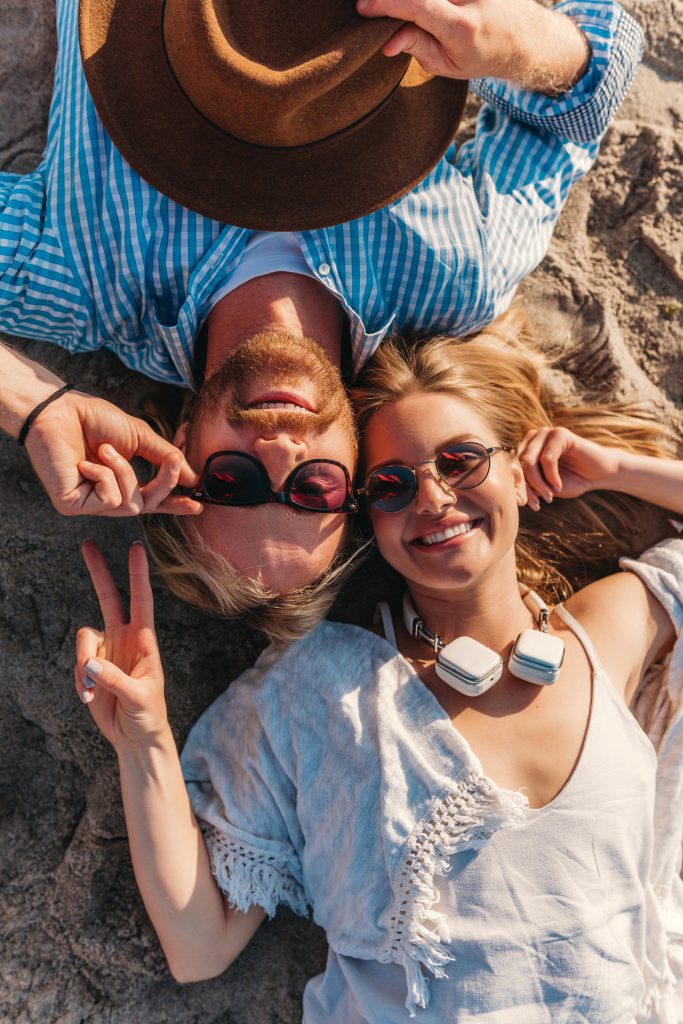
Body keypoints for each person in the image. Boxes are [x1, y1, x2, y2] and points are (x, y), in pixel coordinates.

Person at [73, 312, 683, 1021]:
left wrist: (615, 469)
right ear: (366, 517)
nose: (430, 498)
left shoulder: (605, 633)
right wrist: (141, 739)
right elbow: (199, 944)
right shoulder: (316, 688)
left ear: (518, 473)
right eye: (391, 486)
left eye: (461, 462)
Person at [0, 0, 644, 618]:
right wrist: (513, 43)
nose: (279, 453)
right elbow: (597, 61)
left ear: (178, 447)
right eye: (314, 492)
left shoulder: (84, 280)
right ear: (359, 468)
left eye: (232, 483)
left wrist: (33, 407)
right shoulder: (457, 278)